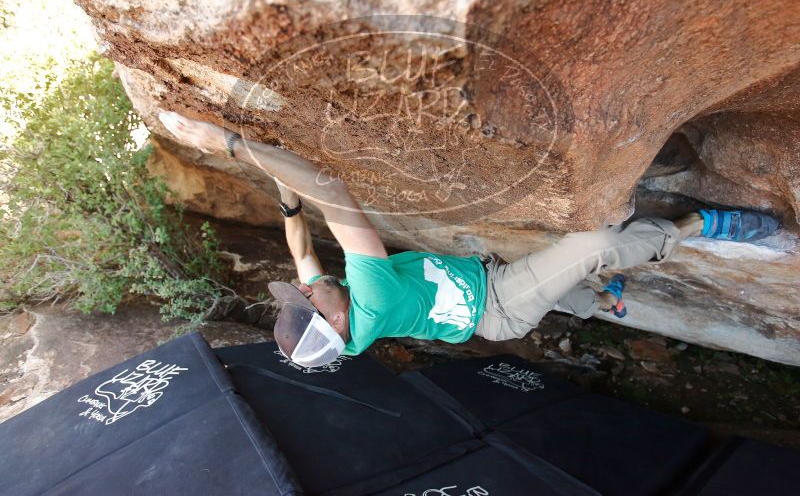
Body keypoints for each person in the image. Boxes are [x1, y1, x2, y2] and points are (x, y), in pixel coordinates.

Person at [158, 110, 781, 367]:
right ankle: (697, 227)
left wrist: (286, 199)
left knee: (576, 291)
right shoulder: (369, 300)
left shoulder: (338, 309)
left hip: (481, 284)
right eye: (306, 304)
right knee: (596, 240)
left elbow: (301, 251)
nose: (304, 291)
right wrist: (232, 145)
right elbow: (339, 195)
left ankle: (604, 297)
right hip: (497, 307)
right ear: (337, 324)